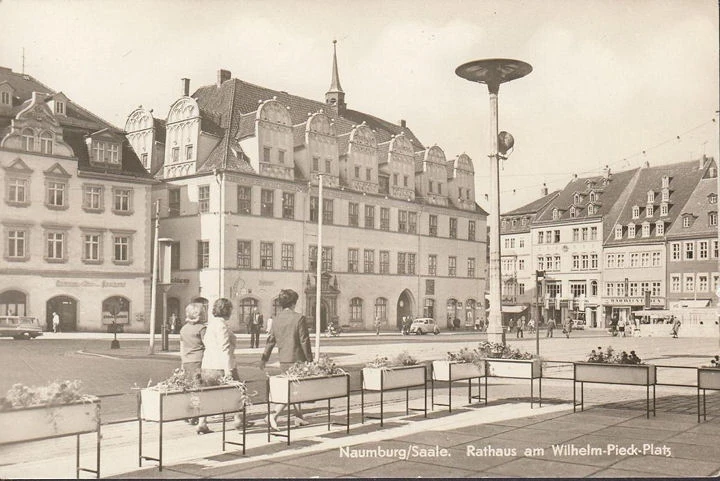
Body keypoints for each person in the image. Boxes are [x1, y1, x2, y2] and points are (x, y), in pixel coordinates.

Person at [260, 289, 312, 430]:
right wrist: (310, 360)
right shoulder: (299, 318)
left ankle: (299, 417)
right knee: (292, 390)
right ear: (294, 303)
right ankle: (273, 415)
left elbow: (270, 341)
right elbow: (304, 341)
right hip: (297, 360)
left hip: (283, 360)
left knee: (294, 388)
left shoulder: (276, 320)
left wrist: (264, 358)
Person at [202, 298, 244, 430]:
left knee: (208, 394)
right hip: (222, 365)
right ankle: (238, 419)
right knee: (239, 391)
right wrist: (228, 371)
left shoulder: (211, 324)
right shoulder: (221, 325)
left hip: (208, 364)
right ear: (226, 310)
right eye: (230, 309)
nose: (231, 312)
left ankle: (202, 422)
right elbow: (224, 348)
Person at [179, 303, 209, 433]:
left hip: (187, 361)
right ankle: (199, 417)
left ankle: (191, 413)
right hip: (199, 361)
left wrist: (182, 361)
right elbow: (207, 344)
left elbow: (182, 346)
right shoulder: (202, 328)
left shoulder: (183, 329)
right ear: (200, 315)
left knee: (191, 388)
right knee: (201, 390)